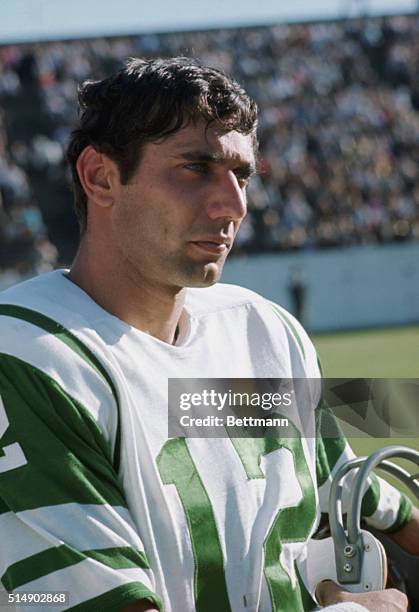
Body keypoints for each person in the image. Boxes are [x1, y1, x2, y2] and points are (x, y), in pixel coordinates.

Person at [0, 57, 417, 612]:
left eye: (241, 174)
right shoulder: (30, 354)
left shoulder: (259, 330)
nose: (234, 205)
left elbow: (344, 490)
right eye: (196, 167)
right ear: (101, 177)